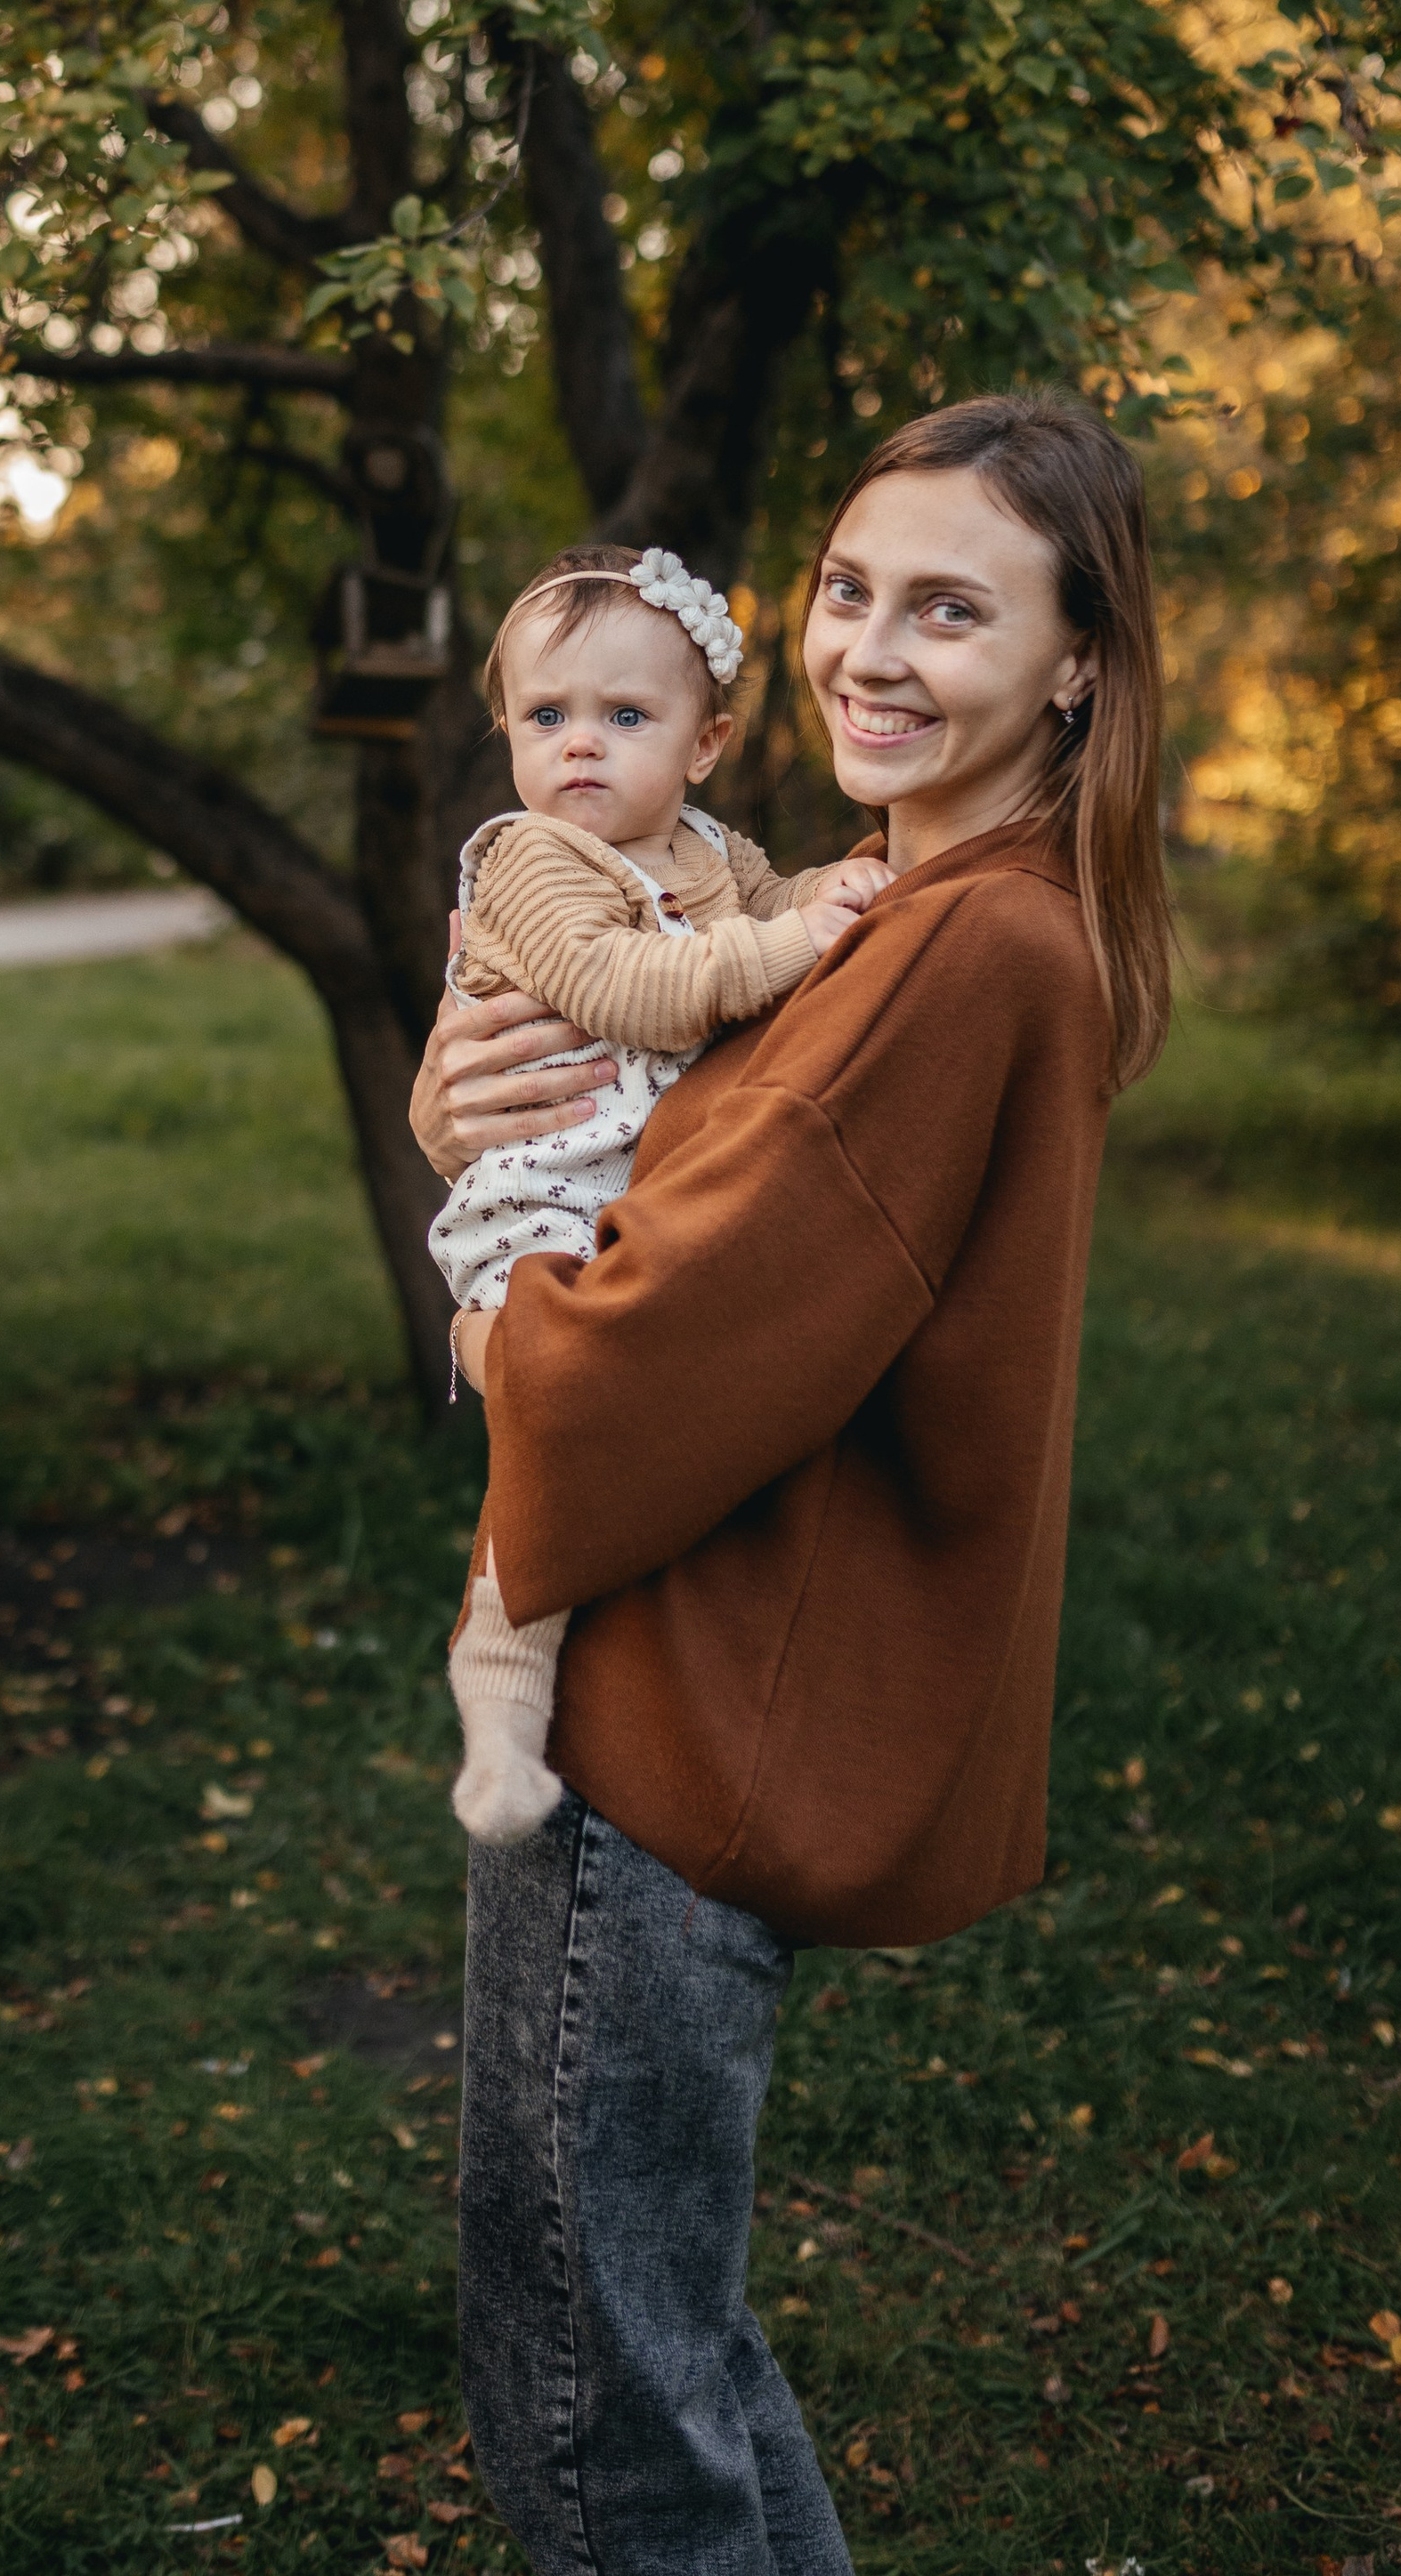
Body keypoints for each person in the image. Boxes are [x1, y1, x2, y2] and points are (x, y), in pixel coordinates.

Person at [409, 394, 1171, 2576]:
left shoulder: (961, 947)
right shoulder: (893, 906)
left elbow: (656, 1347)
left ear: (1074, 664)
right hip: (688, 1694)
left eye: (951, 607)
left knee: (595, 2398)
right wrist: (462, 1122)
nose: (869, 648)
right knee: (666, 2351)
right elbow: (642, 1138)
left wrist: (480, 1318)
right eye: (848, 590)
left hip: (671, 1731)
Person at [433, 540, 891, 1843]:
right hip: (539, 1185)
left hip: (631, 1182)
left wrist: (837, 891)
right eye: (547, 715)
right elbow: (631, 989)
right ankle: (503, 1673)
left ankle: (538, 1622)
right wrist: (798, 939)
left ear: (704, 744)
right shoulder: (532, 860)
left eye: (625, 716)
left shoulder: (710, 851)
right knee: (562, 1407)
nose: (581, 745)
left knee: (602, 1424)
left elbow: (776, 906)